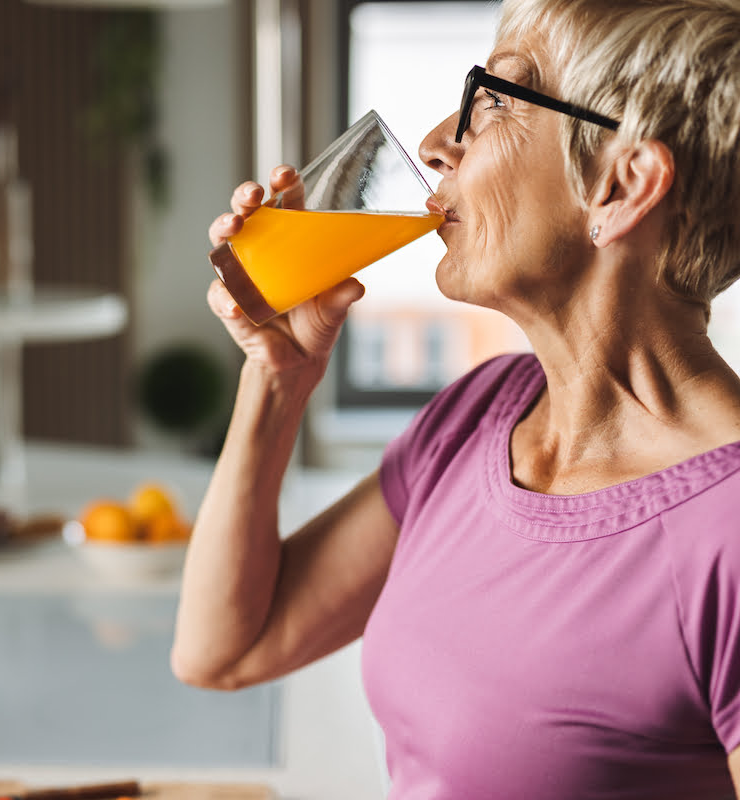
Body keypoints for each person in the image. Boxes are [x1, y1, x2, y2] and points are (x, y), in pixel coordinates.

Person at [171, 0, 740, 796]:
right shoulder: (482, 414)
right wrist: (279, 377)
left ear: (623, 184)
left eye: (496, 99)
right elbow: (223, 650)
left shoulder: (728, 530)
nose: (438, 144)